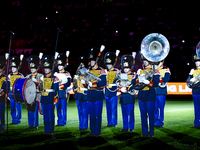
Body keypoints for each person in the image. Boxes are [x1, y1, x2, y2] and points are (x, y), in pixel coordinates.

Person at [131, 54, 160, 138]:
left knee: (151, 115)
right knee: (143, 115)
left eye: (146, 60)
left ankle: (151, 132)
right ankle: (144, 132)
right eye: (143, 60)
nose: (144, 62)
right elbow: (133, 82)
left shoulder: (155, 70)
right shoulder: (140, 70)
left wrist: (148, 83)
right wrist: (137, 77)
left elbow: (156, 83)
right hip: (141, 95)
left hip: (150, 95)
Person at [81, 46, 107, 137]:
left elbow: (104, 82)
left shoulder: (101, 71)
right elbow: (86, 84)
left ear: (96, 61)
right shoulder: (88, 70)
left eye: (92, 60)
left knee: (97, 115)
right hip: (90, 95)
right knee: (91, 115)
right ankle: (92, 131)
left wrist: (94, 84)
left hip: (98, 95)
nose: (91, 62)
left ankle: (97, 131)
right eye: (90, 60)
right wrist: (84, 82)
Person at [40, 55, 59, 135]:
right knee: (45, 116)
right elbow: (40, 88)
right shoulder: (42, 78)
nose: (46, 70)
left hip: (50, 98)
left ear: (50, 69)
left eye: (47, 68)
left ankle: (51, 130)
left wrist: (55, 99)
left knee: (51, 115)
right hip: (43, 98)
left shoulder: (55, 78)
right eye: (45, 68)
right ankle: (46, 129)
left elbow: (56, 90)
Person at [118, 54, 136, 132]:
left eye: (127, 68)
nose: (125, 69)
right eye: (124, 68)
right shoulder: (121, 75)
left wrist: (127, 88)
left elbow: (134, 85)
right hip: (123, 97)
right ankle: (125, 127)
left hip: (130, 96)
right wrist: (120, 88)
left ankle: (131, 127)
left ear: (130, 67)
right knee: (124, 114)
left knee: (130, 113)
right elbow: (118, 84)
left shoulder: (134, 75)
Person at [25, 54, 44, 129]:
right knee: (30, 110)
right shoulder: (27, 77)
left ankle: (35, 124)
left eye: (34, 68)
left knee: (35, 110)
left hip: (37, 96)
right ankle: (30, 124)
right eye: (31, 68)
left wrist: (37, 83)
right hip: (29, 96)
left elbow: (43, 85)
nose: (32, 69)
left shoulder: (40, 76)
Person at [54, 52, 71, 126]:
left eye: (61, 65)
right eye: (58, 65)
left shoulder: (67, 73)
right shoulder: (55, 74)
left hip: (63, 93)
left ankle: (63, 121)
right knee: (58, 109)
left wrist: (62, 85)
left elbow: (68, 83)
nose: (59, 67)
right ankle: (59, 121)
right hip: (57, 94)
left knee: (63, 109)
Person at [104, 51, 120, 128]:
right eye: (107, 64)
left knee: (114, 109)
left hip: (113, 92)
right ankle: (109, 122)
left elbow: (119, 81)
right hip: (107, 92)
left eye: (110, 64)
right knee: (108, 109)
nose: (108, 65)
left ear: (113, 63)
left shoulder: (117, 71)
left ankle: (114, 123)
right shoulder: (105, 71)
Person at [73, 55, 88, 131]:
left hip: (84, 94)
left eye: (82, 65)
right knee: (80, 111)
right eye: (80, 65)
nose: (80, 67)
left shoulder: (87, 75)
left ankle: (85, 126)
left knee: (85, 111)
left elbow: (88, 85)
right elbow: (74, 85)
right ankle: (80, 126)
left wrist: (85, 82)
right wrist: (74, 89)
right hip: (78, 94)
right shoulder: (76, 76)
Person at [8, 55, 24, 124]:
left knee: (18, 107)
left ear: (17, 68)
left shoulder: (21, 75)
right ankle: (14, 119)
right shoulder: (9, 75)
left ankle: (18, 119)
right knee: (12, 108)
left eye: (14, 67)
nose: (13, 69)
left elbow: (22, 86)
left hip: (18, 94)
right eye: (12, 67)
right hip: (11, 93)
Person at [154, 60, 171, 128]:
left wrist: (158, 77)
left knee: (161, 108)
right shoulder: (153, 69)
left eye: (160, 61)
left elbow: (166, 78)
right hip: (154, 91)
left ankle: (160, 122)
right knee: (155, 108)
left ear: (163, 62)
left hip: (161, 91)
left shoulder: (166, 69)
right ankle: (155, 121)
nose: (158, 63)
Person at [188, 54, 200, 129]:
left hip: (196, 89)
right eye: (196, 61)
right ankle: (197, 124)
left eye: (198, 61)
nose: (196, 63)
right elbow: (189, 81)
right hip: (195, 92)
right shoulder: (193, 70)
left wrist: (194, 85)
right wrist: (190, 75)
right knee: (196, 109)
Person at [0, 55, 9, 133]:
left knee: (1, 113)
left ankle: (2, 127)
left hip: (1, 98)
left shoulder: (5, 77)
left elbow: (6, 88)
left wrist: (2, 92)